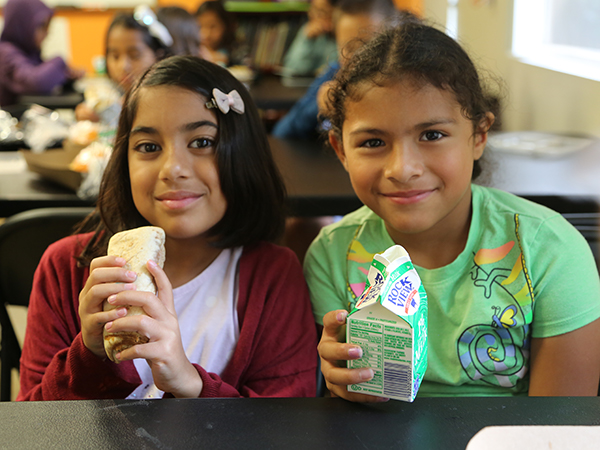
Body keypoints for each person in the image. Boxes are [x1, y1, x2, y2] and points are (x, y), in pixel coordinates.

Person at [305, 22, 600, 401]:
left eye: (432, 135)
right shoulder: (332, 255)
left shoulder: (550, 251)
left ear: (479, 136)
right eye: (373, 141)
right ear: (340, 149)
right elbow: (343, 407)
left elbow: (555, 428)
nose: (403, 168)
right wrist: (343, 385)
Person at [18, 55, 318, 400]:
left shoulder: (273, 276)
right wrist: (91, 353)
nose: (173, 168)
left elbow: (283, 431)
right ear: (123, 161)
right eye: (148, 147)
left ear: (243, 154)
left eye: (202, 142)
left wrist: (188, 382)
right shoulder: (64, 269)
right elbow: (34, 424)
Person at [271, 0, 409, 140]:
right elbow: (282, 132)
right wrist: (319, 107)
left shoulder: (407, 85)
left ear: (395, 40)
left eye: (368, 47)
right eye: (348, 49)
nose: (356, 59)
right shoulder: (334, 73)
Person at [75, 9, 174, 123]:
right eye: (115, 56)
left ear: (158, 56)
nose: (123, 66)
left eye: (134, 56)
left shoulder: (167, 103)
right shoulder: (112, 96)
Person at [0, 0, 84, 108]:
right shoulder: (6, 53)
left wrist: (67, 76)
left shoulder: (30, 52)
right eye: (42, 26)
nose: (47, 32)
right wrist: (60, 62)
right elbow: (35, 83)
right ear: (22, 24)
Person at [281, 0, 338, 78]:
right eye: (312, 9)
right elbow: (291, 70)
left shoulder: (344, 34)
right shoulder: (308, 30)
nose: (312, 14)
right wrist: (307, 39)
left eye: (322, 11)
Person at [195, 0, 237, 67]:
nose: (206, 33)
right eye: (200, 26)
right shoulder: (193, 50)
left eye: (213, 26)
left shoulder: (235, 52)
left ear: (225, 26)